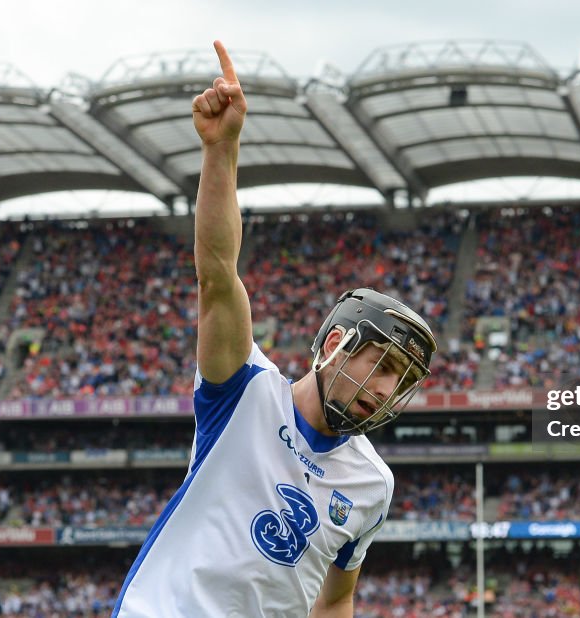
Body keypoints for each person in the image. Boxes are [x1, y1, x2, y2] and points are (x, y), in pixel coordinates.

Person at [112, 40, 436, 618]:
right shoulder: (244, 390)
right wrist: (222, 149)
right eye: (382, 365)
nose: (386, 390)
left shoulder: (372, 485)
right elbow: (217, 275)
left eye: (402, 380)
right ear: (335, 344)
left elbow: (337, 601)